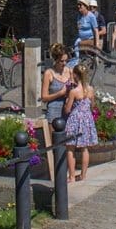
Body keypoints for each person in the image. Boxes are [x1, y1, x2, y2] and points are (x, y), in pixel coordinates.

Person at [40, 43, 76, 181]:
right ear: (55, 60)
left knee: (67, 143)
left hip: (67, 109)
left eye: (66, 60)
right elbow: (44, 97)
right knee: (55, 143)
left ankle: (67, 172)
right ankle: (56, 173)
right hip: (54, 109)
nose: (64, 63)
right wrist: (60, 93)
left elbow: (73, 88)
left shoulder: (69, 71)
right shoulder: (49, 73)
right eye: (61, 61)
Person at [62, 63, 99, 181]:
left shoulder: (74, 91)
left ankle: (72, 176)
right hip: (87, 118)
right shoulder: (91, 89)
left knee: (70, 148)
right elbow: (93, 106)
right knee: (84, 148)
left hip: (75, 119)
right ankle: (83, 175)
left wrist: (67, 100)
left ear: (76, 75)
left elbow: (67, 109)